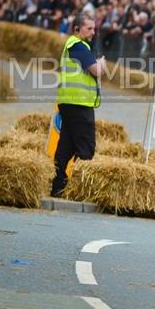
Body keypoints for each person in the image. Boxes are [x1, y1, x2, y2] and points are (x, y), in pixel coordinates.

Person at [51, 13, 106, 197]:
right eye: (89, 28)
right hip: (79, 103)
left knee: (66, 146)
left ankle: (58, 186)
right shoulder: (79, 46)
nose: (93, 32)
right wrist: (101, 63)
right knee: (86, 148)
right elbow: (96, 71)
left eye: (94, 29)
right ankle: (81, 190)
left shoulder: (71, 45)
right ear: (77, 29)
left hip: (69, 102)